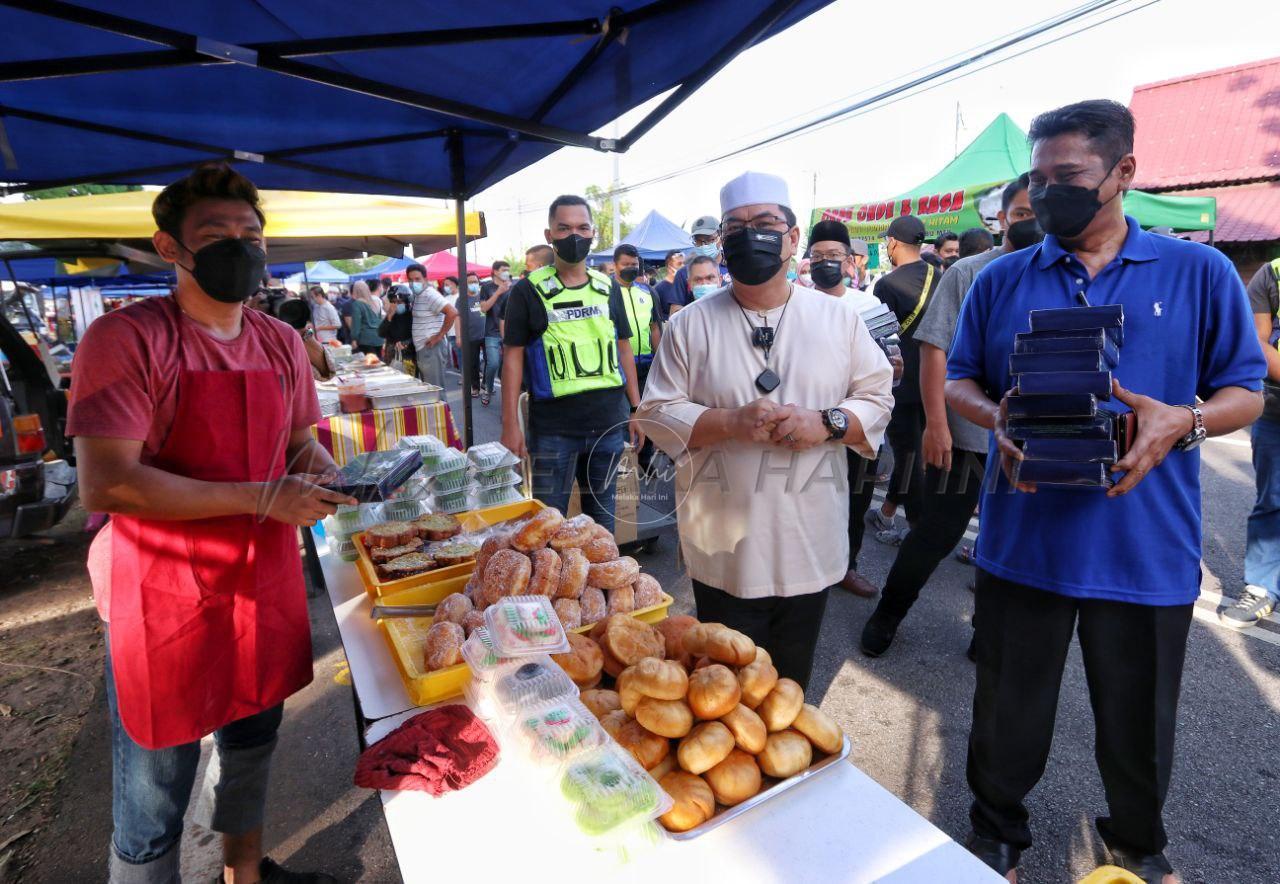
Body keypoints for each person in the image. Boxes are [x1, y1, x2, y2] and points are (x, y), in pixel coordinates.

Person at [946, 100, 1264, 884]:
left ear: (1124, 172)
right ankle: (996, 832)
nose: (1049, 194)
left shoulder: (1201, 273)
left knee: (1138, 724)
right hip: (1024, 544)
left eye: (1070, 178)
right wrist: (997, 419)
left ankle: (1135, 839)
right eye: (1039, 178)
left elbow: (1245, 391)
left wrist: (1182, 422)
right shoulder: (1002, 278)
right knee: (1005, 713)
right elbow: (959, 380)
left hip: (1146, 549)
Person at [66, 163, 352, 884]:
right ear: (171, 248)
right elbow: (111, 481)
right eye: (216, 234)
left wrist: (327, 471)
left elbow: (297, 443)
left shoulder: (281, 342)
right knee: (155, 779)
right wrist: (264, 498)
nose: (240, 247)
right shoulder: (125, 339)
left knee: (254, 737)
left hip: (261, 577)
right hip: (161, 588)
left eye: (250, 234)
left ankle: (244, 874)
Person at [638, 172, 894, 688]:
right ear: (721, 242)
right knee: (723, 687)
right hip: (722, 540)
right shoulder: (689, 323)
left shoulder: (839, 320)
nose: (749, 234)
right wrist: (730, 422)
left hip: (809, 531)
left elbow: (876, 396)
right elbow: (655, 414)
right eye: (735, 226)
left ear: (792, 238)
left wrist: (826, 423)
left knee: (789, 686)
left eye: (765, 223)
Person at [859, 174, 1040, 657]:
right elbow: (934, 349)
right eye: (1021, 213)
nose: (1032, 221)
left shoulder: (1064, 272)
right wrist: (936, 425)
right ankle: (888, 615)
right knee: (936, 534)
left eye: (1038, 212)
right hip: (967, 435)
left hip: (1033, 442)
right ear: (1001, 219)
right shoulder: (970, 272)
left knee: (1008, 540)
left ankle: (986, 627)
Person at [500, 195, 644, 531]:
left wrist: (637, 408)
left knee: (602, 528)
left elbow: (624, 348)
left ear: (593, 232)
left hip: (608, 424)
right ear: (549, 235)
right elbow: (512, 357)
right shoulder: (527, 291)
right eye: (563, 228)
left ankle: (599, 583)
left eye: (581, 227)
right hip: (553, 429)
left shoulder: (607, 287)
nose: (573, 235)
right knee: (548, 529)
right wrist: (510, 425)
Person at [808, 219, 898, 599]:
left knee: (856, 495)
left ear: (850, 261)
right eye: (818, 256)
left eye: (834, 255)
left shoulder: (869, 305)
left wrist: (895, 364)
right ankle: (810, 565)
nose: (826, 262)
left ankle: (848, 566)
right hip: (810, 419)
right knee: (810, 494)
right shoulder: (795, 304)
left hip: (857, 419)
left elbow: (892, 358)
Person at [867, 214, 940, 542]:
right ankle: (887, 513)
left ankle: (918, 529)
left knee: (909, 457)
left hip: (901, 385)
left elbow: (878, 340)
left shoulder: (887, 284)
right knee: (915, 457)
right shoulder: (940, 276)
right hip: (937, 380)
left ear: (893, 242)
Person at [1236, 256, 1280, 627]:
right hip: (1276, 413)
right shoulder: (1272, 273)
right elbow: (1258, 344)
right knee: (1272, 501)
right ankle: (1262, 587)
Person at [612, 243, 661, 393]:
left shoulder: (648, 292)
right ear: (615, 265)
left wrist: (660, 359)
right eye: (625, 264)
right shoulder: (606, 292)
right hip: (618, 366)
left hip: (647, 365)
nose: (630, 267)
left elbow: (654, 328)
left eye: (634, 264)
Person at [667, 215, 731, 316]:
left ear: (721, 237)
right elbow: (674, 313)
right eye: (698, 241)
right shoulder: (684, 273)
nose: (704, 245)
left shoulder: (733, 268)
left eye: (710, 239)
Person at [406, 262, 457, 389]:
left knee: (435, 391)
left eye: (417, 279)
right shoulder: (418, 295)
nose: (414, 283)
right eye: (410, 280)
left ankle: (444, 410)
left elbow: (452, 312)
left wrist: (439, 336)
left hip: (431, 348)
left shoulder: (429, 294)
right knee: (430, 390)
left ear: (425, 279)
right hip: (424, 348)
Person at [479, 261, 512, 406]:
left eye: (508, 270)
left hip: (511, 332)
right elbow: (484, 308)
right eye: (504, 270)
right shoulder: (486, 287)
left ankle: (509, 400)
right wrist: (499, 292)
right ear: (495, 271)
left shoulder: (513, 285)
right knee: (492, 364)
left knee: (508, 368)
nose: (506, 272)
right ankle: (488, 389)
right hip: (492, 332)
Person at [456, 271, 487, 398]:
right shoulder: (461, 299)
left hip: (486, 335)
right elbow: (457, 318)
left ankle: (486, 384)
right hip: (470, 337)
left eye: (475, 282)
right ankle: (475, 387)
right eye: (470, 282)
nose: (473, 284)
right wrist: (458, 336)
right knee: (473, 364)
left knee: (491, 361)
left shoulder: (484, 296)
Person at [379, 283, 416, 370]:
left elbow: (418, 334)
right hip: (392, 357)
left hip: (410, 356)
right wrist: (389, 317)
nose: (396, 305)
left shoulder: (413, 315)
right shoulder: (392, 315)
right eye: (393, 302)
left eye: (399, 302)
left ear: (407, 301)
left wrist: (406, 342)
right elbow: (381, 332)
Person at [347, 280, 385, 355]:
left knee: (369, 363)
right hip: (379, 338)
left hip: (365, 339)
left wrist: (354, 338)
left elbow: (356, 324)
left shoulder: (357, 304)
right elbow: (380, 319)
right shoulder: (376, 301)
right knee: (378, 362)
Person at [653, 249, 686, 319]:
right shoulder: (658, 289)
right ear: (669, 265)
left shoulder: (687, 286)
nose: (683, 266)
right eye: (679, 263)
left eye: (684, 263)